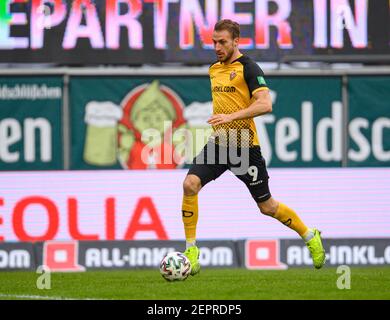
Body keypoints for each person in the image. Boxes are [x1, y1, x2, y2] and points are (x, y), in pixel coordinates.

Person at [181, 19, 326, 275]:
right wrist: (223, 122)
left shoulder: (249, 67)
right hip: (219, 144)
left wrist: (231, 117)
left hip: (245, 149)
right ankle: (191, 250)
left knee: (267, 207)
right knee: (190, 184)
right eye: (214, 41)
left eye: (222, 42)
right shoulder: (214, 69)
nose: (217, 47)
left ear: (236, 41)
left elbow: (265, 104)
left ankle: (309, 235)